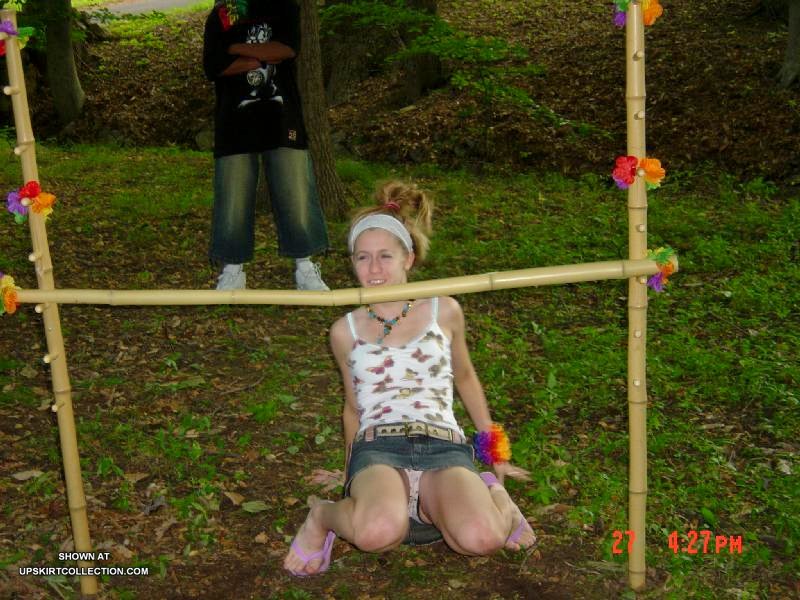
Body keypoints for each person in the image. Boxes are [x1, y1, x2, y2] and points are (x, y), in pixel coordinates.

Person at [283, 181, 537, 576]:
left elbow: (466, 379)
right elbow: (353, 408)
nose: (374, 268)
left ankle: (497, 496)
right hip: (378, 447)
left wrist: (495, 450)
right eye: (362, 257)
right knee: (376, 532)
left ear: (409, 258)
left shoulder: (444, 310)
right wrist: (350, 476)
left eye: (385, 256)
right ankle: (321, 516)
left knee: (482, 538)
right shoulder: (344, 330)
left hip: (443, 445)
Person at [203, 0, 329, 291]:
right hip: (234, 121)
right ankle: (233, 271)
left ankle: (305, 268)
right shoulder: (225, 12)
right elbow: (213, 65)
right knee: (233, 195)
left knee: (295, 192)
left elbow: (286, 49)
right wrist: (261, 57)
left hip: (282, 119)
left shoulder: (284, 6)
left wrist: (236, 48)